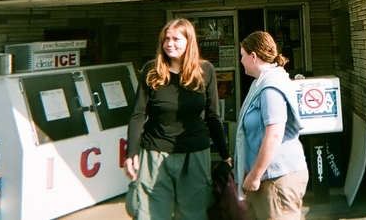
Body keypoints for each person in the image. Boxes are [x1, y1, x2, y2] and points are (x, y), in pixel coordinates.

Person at [125, 18, 232, 220]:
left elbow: (212, 115)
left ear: (189, 41)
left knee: (193, 215)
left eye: (176, 38)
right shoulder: (151, 70)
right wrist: (130, 154)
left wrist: (225, 154)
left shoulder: (205, 71)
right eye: (166, 39)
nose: (169, 43)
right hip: (155, 153)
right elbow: (138, 114)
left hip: (194, 154)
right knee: (151, 214)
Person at [236, 31, 308, 220]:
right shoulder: (262, 82)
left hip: (277, 178)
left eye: (242, 55)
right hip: (268, 178)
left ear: (253, 56)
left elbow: (274, 135)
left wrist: (254, 175)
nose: (241, 61)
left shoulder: (270, 88)